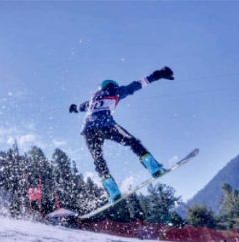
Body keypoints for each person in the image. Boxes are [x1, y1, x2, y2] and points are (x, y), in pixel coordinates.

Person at [69, 66, 174, 202]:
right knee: (132, 142)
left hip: (88, 131)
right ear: (112, 85)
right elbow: (135, 86)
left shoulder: (92, 99)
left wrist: (74, 108)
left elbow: (81, 107)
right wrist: (157, 75)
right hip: (106, 125)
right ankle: (153, 167)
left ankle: (112, 190)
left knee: (98, 159)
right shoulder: (115, 91)